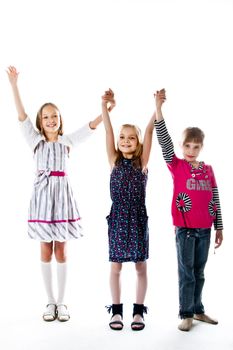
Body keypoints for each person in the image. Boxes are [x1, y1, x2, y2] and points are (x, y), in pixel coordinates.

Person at [7, 66, 115, 322]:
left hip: (63, 200)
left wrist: (106, 109)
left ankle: (63, 303)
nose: (51, 120)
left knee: (62, 251)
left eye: (54, 116)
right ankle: (50, 302)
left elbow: (90, 128)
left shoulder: (67, 142)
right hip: (43, 201)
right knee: (45, 250)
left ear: (60, 119)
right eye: (46, 117)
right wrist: (14, 85)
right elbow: (21, 116)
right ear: (40, 122)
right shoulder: (35, 141)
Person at [154, 89, 223, 331]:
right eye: (187, 145)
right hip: (185, 230)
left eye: (196, 146)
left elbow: (215, 197)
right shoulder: (177, 166)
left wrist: (219, 227)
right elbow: (164, 140)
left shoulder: (208, 170)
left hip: (205, 229)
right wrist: (158, 109)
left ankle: (198, 309)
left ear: (201, 147)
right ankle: (186, 314)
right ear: (182, 146)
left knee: (200, 273)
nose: (191, 150)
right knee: (187, 274)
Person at [102, 88, 159, 331]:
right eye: (122, 137)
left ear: (138, 143)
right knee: (115, 267)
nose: (125, 140)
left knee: (140, 266)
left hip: (136, 219)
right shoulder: (114, 160)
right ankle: (116, 311)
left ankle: (138, 311)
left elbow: (149, 131)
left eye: (131, 138)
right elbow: (107, 130)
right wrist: (104, 107)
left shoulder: (142, 163)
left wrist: (157, 108)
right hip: (117, 219)